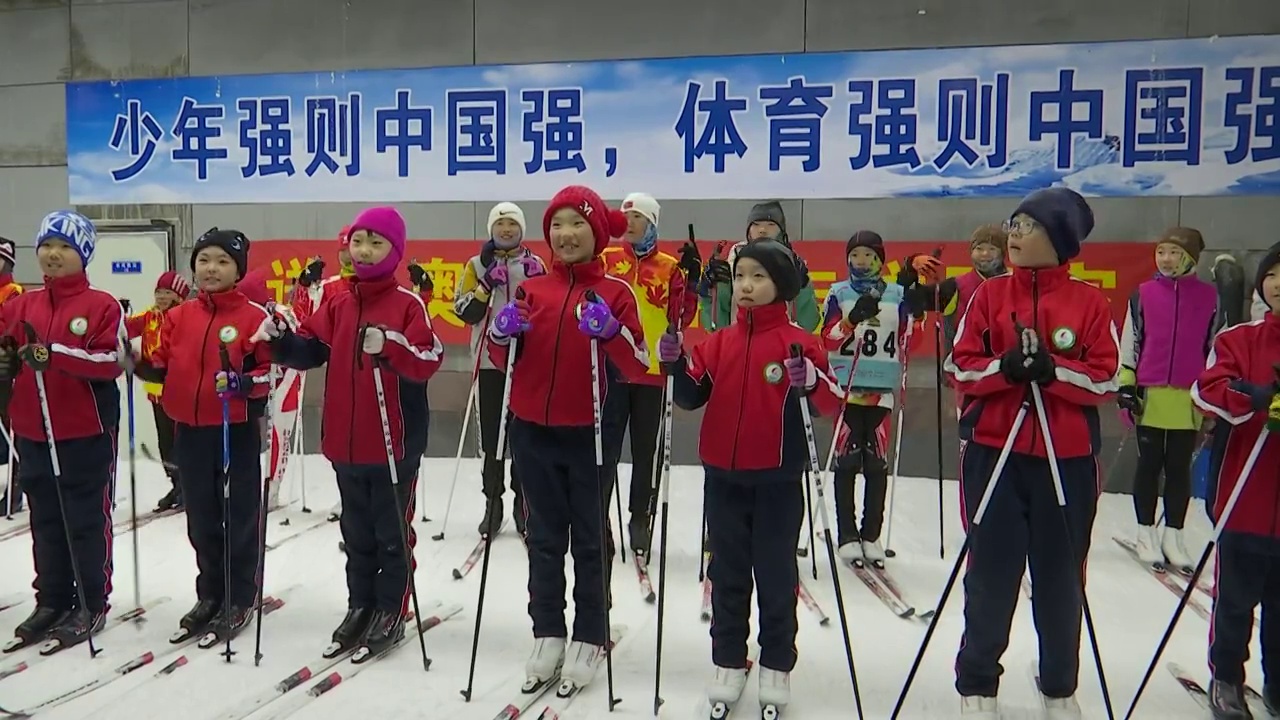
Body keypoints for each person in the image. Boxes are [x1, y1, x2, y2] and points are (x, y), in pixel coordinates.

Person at [944, 188, 1120, 718]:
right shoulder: (990, 295)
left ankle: (1059, 684)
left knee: (1061, 577)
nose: (1014, 234)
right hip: (995, 452)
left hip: (1065, 458)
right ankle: (977, 682)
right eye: (1013, 223)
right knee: (991, 574)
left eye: (1028, 225)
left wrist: (1053, 372)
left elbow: (1106, 377)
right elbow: (959, 365)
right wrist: (1005, 370)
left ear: (1061, 239)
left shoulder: (1090, 302)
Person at [659, 238, 842, 716]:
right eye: (741, 276)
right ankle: (728, 659)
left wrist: (813, 382)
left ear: (779, 285)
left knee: (777, 572)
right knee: (728, 571)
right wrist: (675, 364)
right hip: (723, 475)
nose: (745, 285)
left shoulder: (800, 342)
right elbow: (691, 395)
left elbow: (830, 402)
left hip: (778, 478)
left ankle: (777, 662)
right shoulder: (719, 341)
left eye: (758, 277)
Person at [260, 206, 443, 657]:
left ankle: (391, 608)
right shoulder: (339, 301)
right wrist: (280, 340)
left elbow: (428, 359)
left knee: (390, 531)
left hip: (392, 441)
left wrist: (390, 345)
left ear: (395, 251)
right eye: (359, 241)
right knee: (356, 531)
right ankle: (360, 604)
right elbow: (311, 349)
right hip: (345, 441)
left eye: (376, 242)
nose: (364, 250)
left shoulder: (407, 303)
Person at [487, 185, 648, 693]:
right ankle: (548, 630)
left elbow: (636, 361)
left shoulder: (617, 292)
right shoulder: (532, 289)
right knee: (544, 535)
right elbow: (501, 360)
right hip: (532, 430)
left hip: (589, 433)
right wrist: (501, 332)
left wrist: (609, 332)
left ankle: (590, 631)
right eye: (556, 225)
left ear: (596, 233)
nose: (565, 234)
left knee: (588, 536)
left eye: (576, 224)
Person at [133, 228, 272, 644]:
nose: (211, 269)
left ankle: (239, 595)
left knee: (238, 516)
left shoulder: (253, 317)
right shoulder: (179, 316)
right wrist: (134, 362)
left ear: (237, 269)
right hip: (189, 430)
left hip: (235, 429)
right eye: (204, 260)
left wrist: (242, 384)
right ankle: (210, 594)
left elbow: (268, 374)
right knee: (202, 519)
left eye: (222, 262)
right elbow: (160, 366)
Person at [0, 211, 123, 650]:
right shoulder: (20, 305)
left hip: (83, 432)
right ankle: (52, 597)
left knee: (85, 521)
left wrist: (55, 355)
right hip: (33, 430)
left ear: (83, 254)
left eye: (65, 247)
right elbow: (6, 350)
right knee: (45, 520)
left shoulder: (101, 305)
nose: (53, 255)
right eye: (47, 246)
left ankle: (91, 601)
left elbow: (112, 363)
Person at [1191, 241, 1280, 719]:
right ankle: (1227, 676)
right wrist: (1252, 398)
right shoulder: (1240, 338)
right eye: (1273, 274)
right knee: (1235, 601)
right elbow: (1207, 391)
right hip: (1245, 497)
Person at [820, 231, 932, 565]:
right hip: (847, 386)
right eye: (855, 255)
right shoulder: (839, 292)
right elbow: (827, 339)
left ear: (880, 259)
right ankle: (846, 535)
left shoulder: (896, 294)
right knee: (847, 459)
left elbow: (911, 342)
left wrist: (918, 312)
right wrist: (852, 320)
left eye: (869, 255)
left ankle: (871, 535)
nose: (862, 262)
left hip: (881, 386)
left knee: (876, 461)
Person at [599, 192, 697, 555]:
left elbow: (682, 317)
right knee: (604, 448)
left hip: (653, 369)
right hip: (611, 367)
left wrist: (692, 284)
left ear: (652, 222)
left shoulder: (671, 267)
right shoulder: (606, 259)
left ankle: (640, 517)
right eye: (625, 216)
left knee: (646, 450)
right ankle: (598, 518)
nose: (630, 223)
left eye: (638, 216)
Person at [1117, 228, 1219, 571]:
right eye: (1161, 251)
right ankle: (1146, 531)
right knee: (1149, 465)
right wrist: (1126, 383)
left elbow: (1215, 347)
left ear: (1190, 257)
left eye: (1174, 252)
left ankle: (1173, 535)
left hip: (1187, 396)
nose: (1165, 259)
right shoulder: (1143, 294)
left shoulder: (1210, 298)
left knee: (1178, 469)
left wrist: (1211, 391)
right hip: (1150, 392)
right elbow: (1131, 339)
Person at [453, 202, 544, 537]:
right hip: (490, 363)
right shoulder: (477, 265)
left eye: (512, 224)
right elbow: (463, 311)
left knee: (522, 438)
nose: (506, 230)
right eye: (500, 224)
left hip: (525, 364)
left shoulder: (535, 265)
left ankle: (525, 505)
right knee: (492, 439)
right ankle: (493, 502)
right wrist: (484, 285)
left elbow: (547, 310)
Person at [292, 226, 355, 523]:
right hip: (338, 370)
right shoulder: (328, 287)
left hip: (374, 368)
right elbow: (304, 322)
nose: (351, 256)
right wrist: (305, 287)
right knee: (339, 433)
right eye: (345, 250)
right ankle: (346, 496)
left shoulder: (379, 284)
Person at [124, 270, 191, 511]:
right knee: (165, 443)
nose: (162, 297)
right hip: (155, 388)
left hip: (177, 388)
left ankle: (188, 486)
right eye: (159, 292)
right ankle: (176, 483)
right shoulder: (150, 316)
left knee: (181, 440)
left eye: (168, 292)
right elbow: (126, 328)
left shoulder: (184, 316)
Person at [699, 202, 820, 332]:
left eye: (771, 224)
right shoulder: (732, 262)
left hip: (782, 343)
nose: (762, 230)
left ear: (782, 230)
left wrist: (802, 286)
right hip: (740, 341)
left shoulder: (792, 264)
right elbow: (716, 326)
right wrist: (710, 292)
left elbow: (808, 324)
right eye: (756, 225)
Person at [238, 267, 302, 513]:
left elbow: (298, 344)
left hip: (285, 378)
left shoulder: (281, 313)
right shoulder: (243, 313)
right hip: (256, 381)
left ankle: (272, 488)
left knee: (278, 432)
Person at [0, 236, 25, 514]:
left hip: (5, 370)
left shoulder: (14, 292)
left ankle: (16, 489)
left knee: (12, 428)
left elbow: (10, 329)